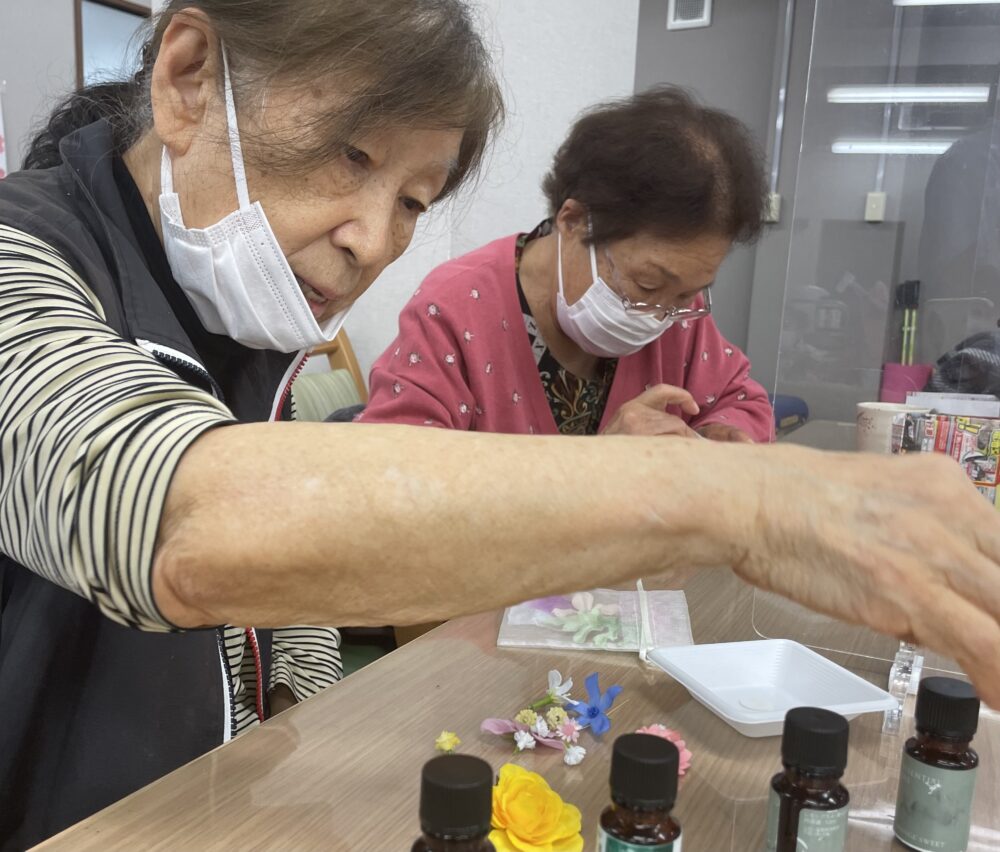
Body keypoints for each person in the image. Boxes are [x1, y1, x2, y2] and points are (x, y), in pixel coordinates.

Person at [0, 2, 999, 849]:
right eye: (352, 156)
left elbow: (282, 615)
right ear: (184, 76)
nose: (372, 241)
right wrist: (742, 500)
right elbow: (179, 520)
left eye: (411, 202)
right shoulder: (22, 266)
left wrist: (291, 747)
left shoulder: (235, 320)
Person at [360, 87, 773, 442]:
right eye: (646, 284)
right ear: (573, 221)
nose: (661, 317)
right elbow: (399, 471)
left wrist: (720, 439)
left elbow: (741, 400)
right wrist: (590, 467)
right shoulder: (455, 309)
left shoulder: (678, 314)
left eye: (687, 293)